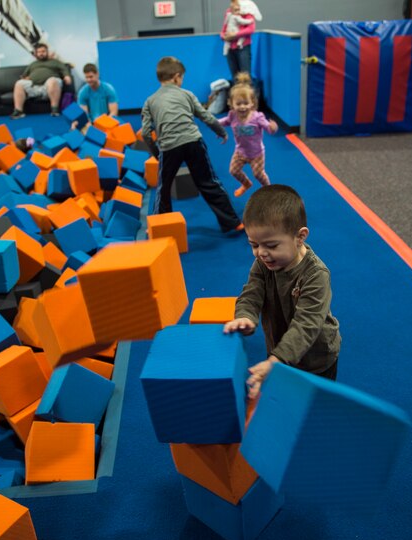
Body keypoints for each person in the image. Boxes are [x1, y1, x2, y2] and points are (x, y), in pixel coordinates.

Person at [223, 185, 341, 399]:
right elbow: (251, 293)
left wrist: (276, 360)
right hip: (279, 349)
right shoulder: (263, 264)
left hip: (316, 358)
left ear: (300, 236)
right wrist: (245, 316)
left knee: (313, 404)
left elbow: (307, 325)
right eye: (254, 244)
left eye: (271, 245)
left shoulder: (316, 275)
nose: (261, 253)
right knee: (287, 398)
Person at [141, 56, 243, 234]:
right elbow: (206, 116)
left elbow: (145, 133)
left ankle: (160, 227)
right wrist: (221, 131)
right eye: (182, 79)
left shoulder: (150, 101)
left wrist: (157, 153)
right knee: (209, 182)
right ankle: (232, 222)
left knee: (163, 188)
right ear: (176, 76)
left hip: (169, 147)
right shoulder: (187, 94)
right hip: (193, 142)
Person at [218, 73, 278, 197]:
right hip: (240, 152)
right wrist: (215, 125)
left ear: (252, 103)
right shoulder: (232, 115)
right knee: (233, 171)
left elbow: (269, 129)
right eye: (238, 104)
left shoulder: (257, 117)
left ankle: (269, 190)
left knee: (258, 174)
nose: (242, 107)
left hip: (256, 153)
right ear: (231, 103)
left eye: (246, 103)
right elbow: (224, 122)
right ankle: (246, 184)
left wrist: (273, 128)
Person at [10, 43, 72, 119]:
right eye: (39, 52)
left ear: (47, 52)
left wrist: (67, 76)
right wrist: (25, 78)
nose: (41, 53)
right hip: (35, 87)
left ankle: (54, 109)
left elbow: (64, 69)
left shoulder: (55, 62)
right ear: (36, 54)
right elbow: (24, 76)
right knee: (19, 83)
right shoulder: (33, 64)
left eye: (43, 51)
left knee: (52, 80)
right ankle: (18, 111)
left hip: (50, 86)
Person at [220, 0, 262, 79]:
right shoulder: (228, 12)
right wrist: (223, 37)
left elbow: (251, 29)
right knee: (235, 77)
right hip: (230, 49)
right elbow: (224, 28)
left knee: (245, 77)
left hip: (243, 48)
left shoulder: (248, 10)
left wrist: (235, 35)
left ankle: (247, 91)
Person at [72, 63, 119, 130]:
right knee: (74, 126)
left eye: (91, 77)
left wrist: (104, 125)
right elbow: (84, 114)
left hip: (106, 121)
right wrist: (89, 125)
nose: (88, 80)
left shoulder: (109, 89)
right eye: (86, 77)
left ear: (97, 74)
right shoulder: (82, 92)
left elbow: (114, 113)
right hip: (91, 122)